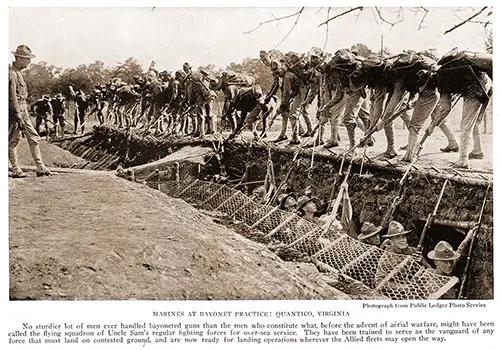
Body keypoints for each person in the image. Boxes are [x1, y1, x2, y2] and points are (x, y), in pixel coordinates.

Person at [9, 44, 51, 178]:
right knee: (13, 140)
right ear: (20, 59)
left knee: (33, 137)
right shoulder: (11, 74)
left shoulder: (18, 73)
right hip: (15, 111)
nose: (29, 62)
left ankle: (40, 166)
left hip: (23, 108)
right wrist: (18, 115)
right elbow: (12, 97)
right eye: (27, 59)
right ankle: (16, 169)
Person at [424, 227, 475, 299]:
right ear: (435, 262)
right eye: (445, 262)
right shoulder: (433, 286)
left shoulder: (446, 269)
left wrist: (467, 239)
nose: (449, 265)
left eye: (451, 261)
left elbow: (459, 253)